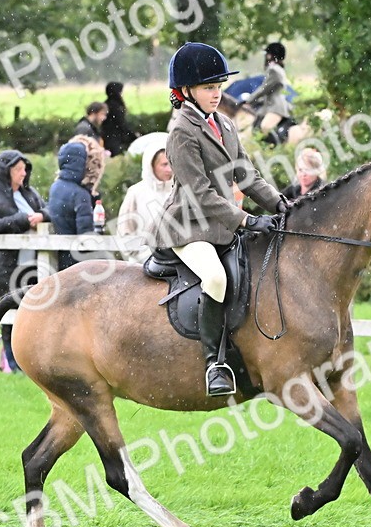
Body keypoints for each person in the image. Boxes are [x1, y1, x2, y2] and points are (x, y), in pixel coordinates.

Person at [149, 42, 288, 396]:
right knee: (215, 277)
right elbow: (201, 194)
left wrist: (280, 204)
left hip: (220, 222)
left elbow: (247, 175)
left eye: (218, 86)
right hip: (188, 226)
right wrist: (245, 221)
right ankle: (214, 364)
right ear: (185, 91)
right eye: (209, 87)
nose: (217, 93)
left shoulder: (224, 123)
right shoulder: (181, 131)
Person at [0, 150, 48, 373]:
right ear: (6, 172)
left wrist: (42, 216)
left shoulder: (29, 193)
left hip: (30, 263)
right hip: (3, 265)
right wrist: (21, 221)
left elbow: (47, 208)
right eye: (18, 169)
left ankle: (31, 359)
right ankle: (12, 362)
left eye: (24, 169)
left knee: (32, 310)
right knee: (8, 311)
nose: (23, 173)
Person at [48, 133, 106, 270]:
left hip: (63, 256)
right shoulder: (80, 194)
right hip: (79, 262)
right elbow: (86, 236)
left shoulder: (55, 186)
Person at [116, 135, 173, 263]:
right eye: (164, 164)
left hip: (175, 263)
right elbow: (124, 231)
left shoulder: (179, 191)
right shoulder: (136, 193)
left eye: (171, 163)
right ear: (151, 165)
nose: (169, 169)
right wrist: (140, 255)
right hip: (142, 264)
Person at [248, 41, 297, 145]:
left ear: (271, 55)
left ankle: (277, 148)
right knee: (256, 125)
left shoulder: (273, 70)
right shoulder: (278, 69)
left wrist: (249, 100)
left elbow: (264, 89)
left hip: (276, 107)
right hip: (270, 105)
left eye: (267, 54)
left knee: (265, 127)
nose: (266, 56)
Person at [101, 82, 138, 157]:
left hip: (109, 136)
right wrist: (133, 135)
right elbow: (121, 123)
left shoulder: (106, 104)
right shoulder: (116, 106)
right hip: (115, 138)